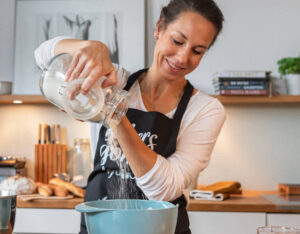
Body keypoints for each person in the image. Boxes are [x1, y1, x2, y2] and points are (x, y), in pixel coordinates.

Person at [35, 0, 225, 233]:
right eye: (177, 41)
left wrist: (114, 113)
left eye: (197, 51)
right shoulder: (116, 81)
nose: (183, 58)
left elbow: (164, 189)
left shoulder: (205, 110)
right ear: (159, 28)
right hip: (99, 227)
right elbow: (42, 56)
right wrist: (88, 46)